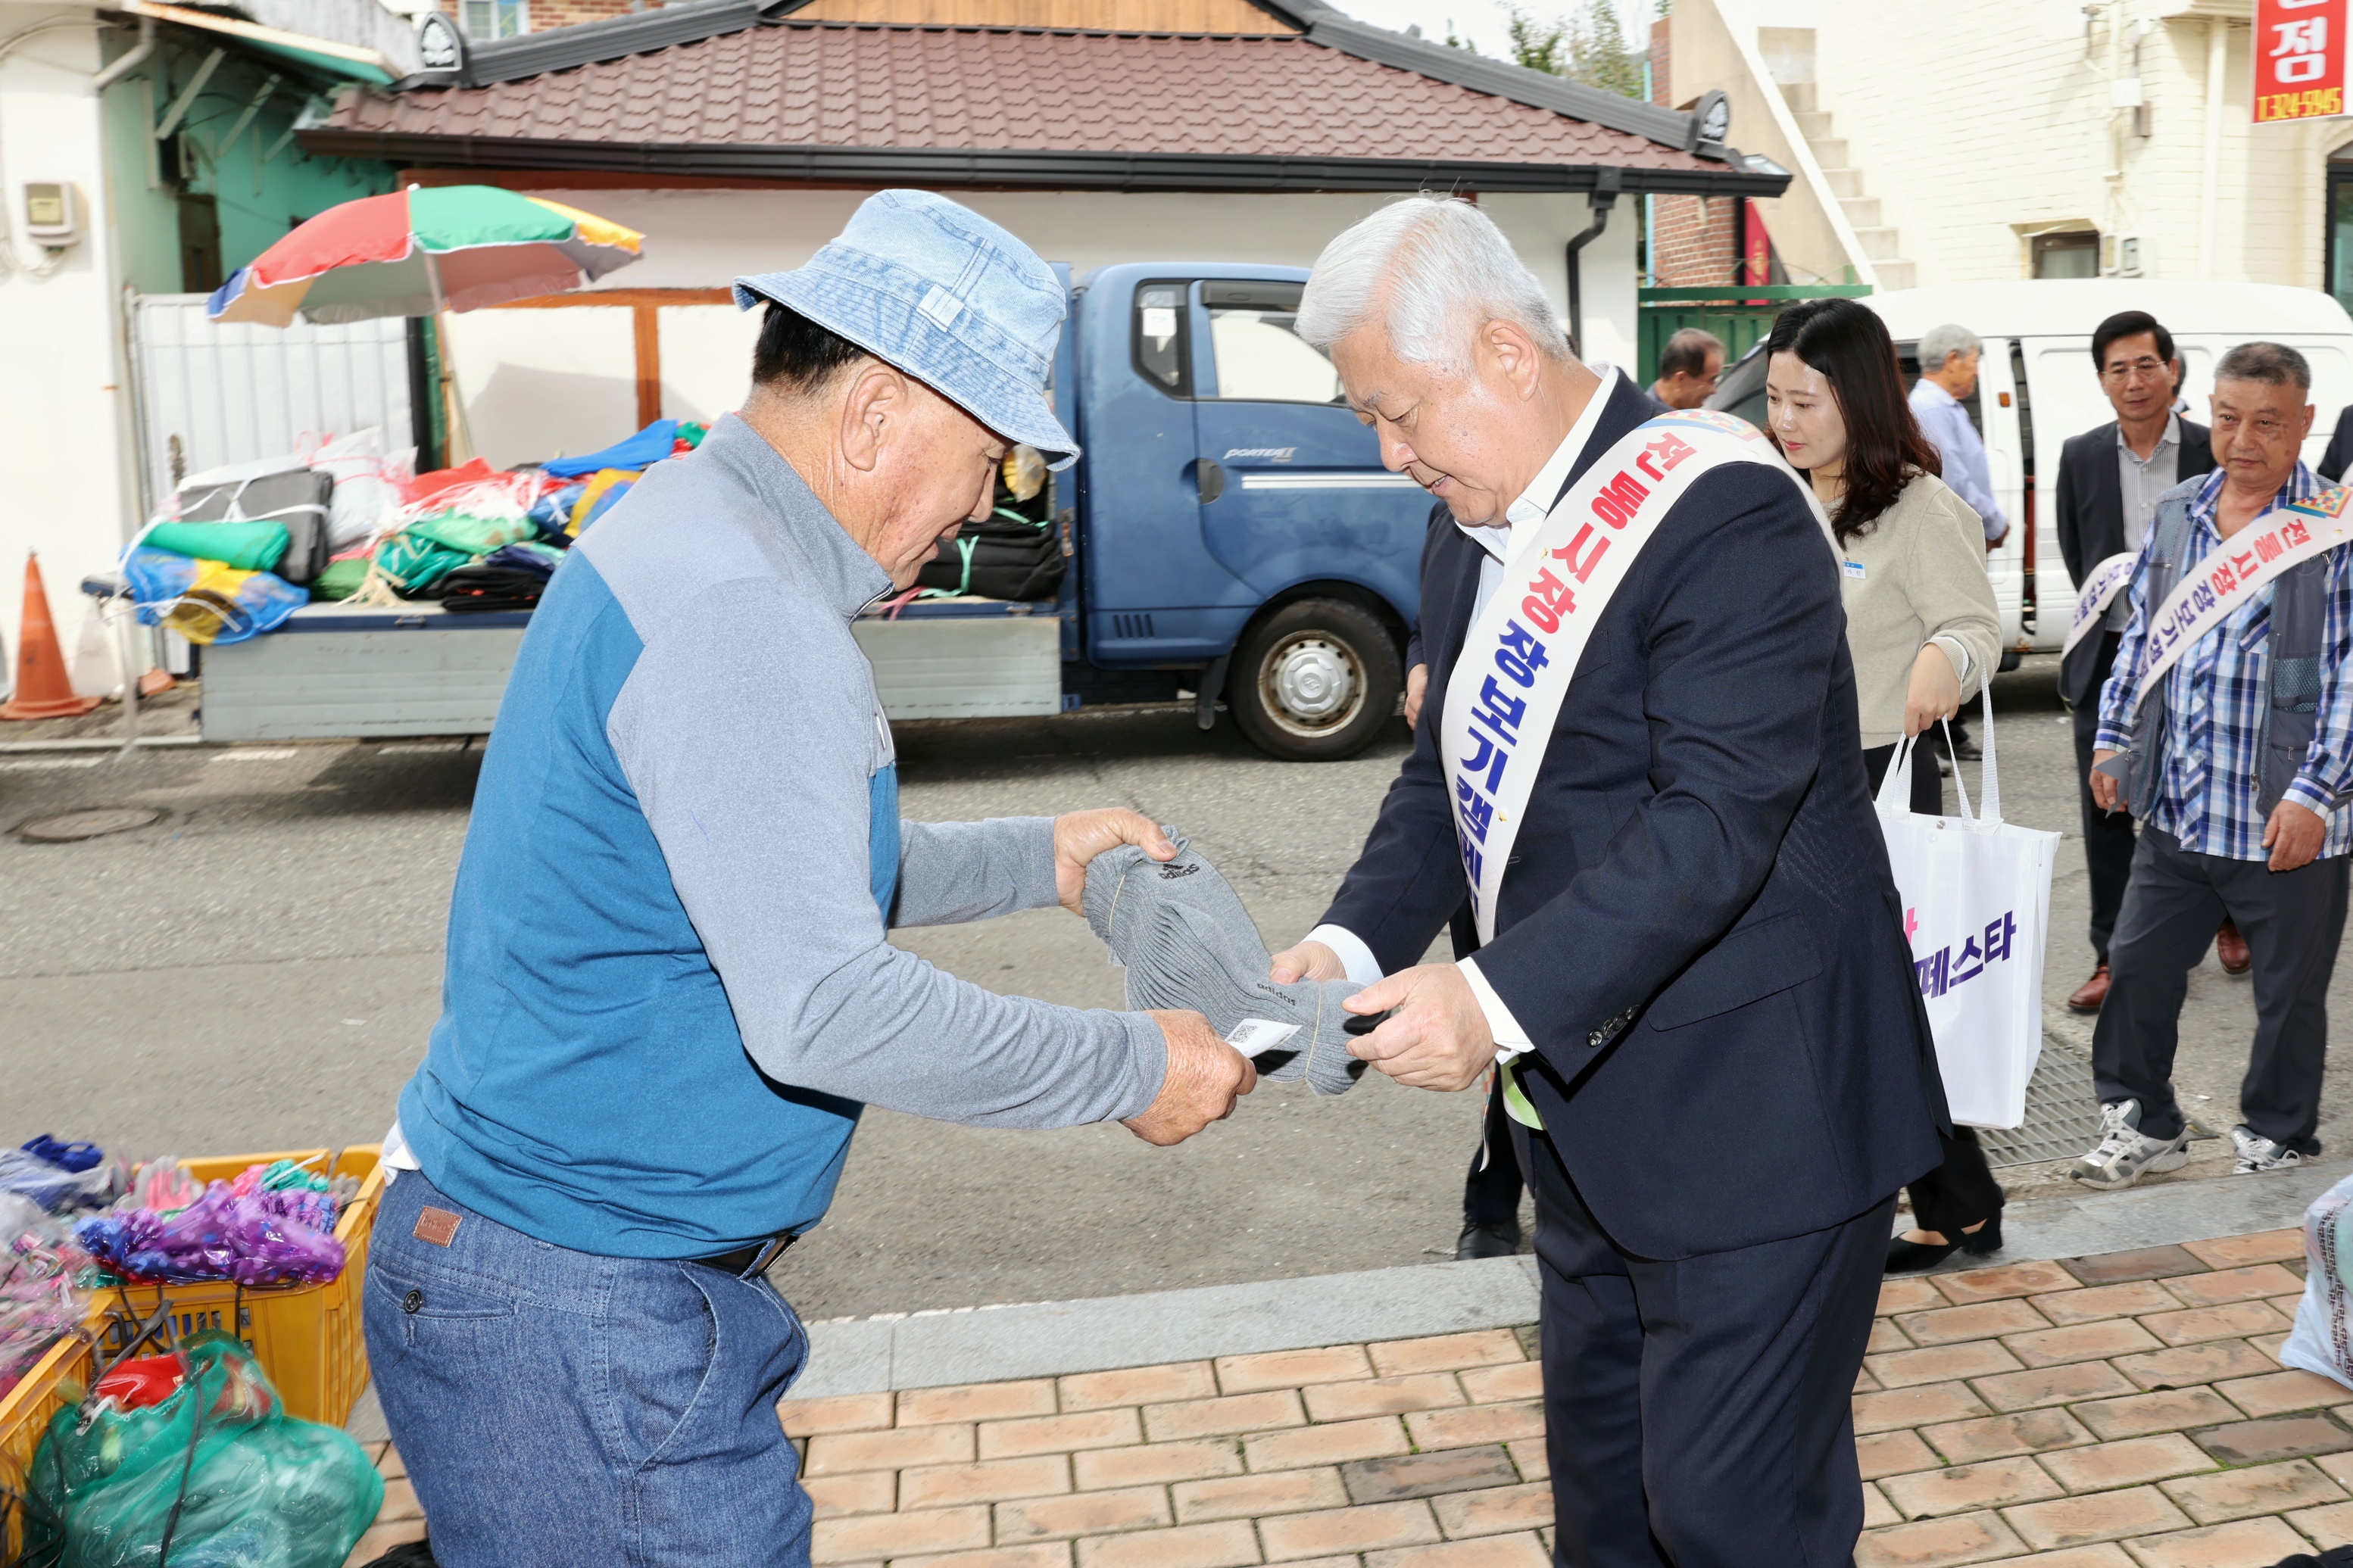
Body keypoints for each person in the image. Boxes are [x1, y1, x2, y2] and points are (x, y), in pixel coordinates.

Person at [361, 191, 1255, 1567]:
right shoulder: (748, 620)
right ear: (876, 413)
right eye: (989, 459)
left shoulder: (698, 528)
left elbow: (766, 874)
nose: (979, 506)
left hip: (549, 1280)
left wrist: (1041, 859)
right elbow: (823, 1002)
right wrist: (1133, 1067)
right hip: (578, 1308)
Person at [1270, 195, 1944, 1565]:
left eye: (1400, 411)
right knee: (1607, 1512)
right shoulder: (1469, 520)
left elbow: (1715, 822)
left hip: (1760, 1124)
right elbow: (1441, 785)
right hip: (1580, 1126)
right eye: (1369, 420)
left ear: (1506, 353)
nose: (1392, 454)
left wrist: (1487, 999)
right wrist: (1344, 944)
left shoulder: (1720, 509)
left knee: (1731, 1520)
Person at [1763, 298, 2006, 1273]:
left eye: (1804, 402)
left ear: (1857, 398)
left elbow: (1976, 625)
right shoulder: (1769, 494)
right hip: (1777, 779)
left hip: (1879, 778)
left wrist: (1943, 659)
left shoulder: (1919, 508)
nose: (1783, 421)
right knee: (1829, 1004)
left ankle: (1944, 1201)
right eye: (1773, 399)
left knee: (1879, 1004)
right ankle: (1951, 1200)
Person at [2080, 341, 2353, 1189]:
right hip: (2178, 805)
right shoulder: (2177, 512)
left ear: (2304, 422)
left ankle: (2277, 1133)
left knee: (2286, 997)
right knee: (2136, 970)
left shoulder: (2332, 525)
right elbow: (2142, 640)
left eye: (2266, 423)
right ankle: (2141, 1121)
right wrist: (2114, 740)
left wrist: (2315, 792)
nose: (2241, 440)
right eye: (2227, 418)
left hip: (2283, 813)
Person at [2055, 312, 2224, 1016]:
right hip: (2111, 661)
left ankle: (2225, 915)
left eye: (2145, 365)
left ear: (2172, 369)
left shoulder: (2211, 451)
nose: (2133, 380)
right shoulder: (2080, 454)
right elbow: (2076, 545)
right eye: (2118, 368)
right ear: (2101, 380)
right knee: (2106, 808)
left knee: (2198, 795)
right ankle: (2109, 954)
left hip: (2199, 658)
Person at [1908, 323, 2010, 550]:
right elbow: (1953, 478)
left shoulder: (1944, 405)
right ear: (1953, 360)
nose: (1976, 372)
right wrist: (1994, 523)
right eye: (1974, 362)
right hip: (1956, 537)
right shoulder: (1931, 408)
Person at [1649, 326, 1724, 411]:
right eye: (1711, 380)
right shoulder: (1649, 422)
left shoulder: (1693, 415)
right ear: (1681, 379)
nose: (1714, 391)